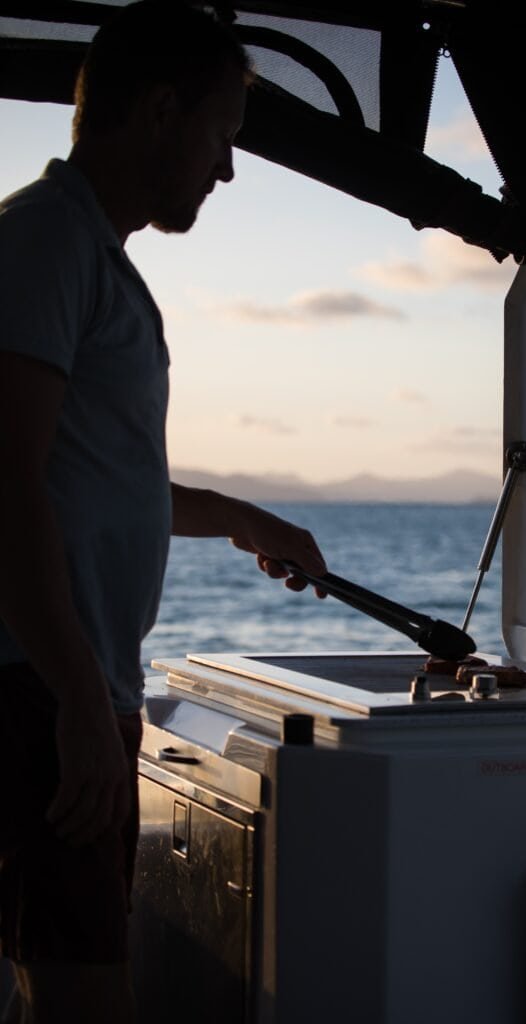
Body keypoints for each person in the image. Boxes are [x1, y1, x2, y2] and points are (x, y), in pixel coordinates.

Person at [0, 3, 327, 1021]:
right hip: (38, 696)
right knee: (87, 998)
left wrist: (239, 517)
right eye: (221, 137)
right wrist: (78, 696)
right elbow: (5, 480)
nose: (225, 170)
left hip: (63, 690)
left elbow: (85, 476)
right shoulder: (48, 239)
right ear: (157, 111)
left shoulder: (93, 257)